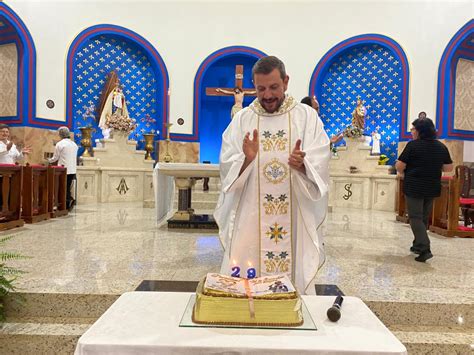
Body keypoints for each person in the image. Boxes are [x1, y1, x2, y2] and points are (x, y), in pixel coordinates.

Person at [214, 56, 330, 294]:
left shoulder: (306, 117)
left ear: (286, 82)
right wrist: (246, 158)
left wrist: (303, 165)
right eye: (261, 88)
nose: (267, 95)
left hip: (294, 214)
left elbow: (320, 159)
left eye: (274, 87)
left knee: (293, 284)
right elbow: (226, 165)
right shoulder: (242, 119)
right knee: (247, 284)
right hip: (251, 215)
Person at [396, 118, 453, 262]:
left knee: (415, 217)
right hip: (432, 186)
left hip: (415, 186)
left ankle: (424, 247)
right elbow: (448, 168)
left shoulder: (413, 146)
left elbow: (400, 167)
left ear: (420, 131)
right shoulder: (441, 147)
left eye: (413, 129)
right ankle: (416, 245)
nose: (412, 132)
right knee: (422, 217)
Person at [48, 127, 79, 211]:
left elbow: (55, 157)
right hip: (72, 170)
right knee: (67, 187)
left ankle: (64, 205)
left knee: (61, 188)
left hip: (63, 170)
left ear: (60, 134)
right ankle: (67, 203)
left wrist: (48, 160)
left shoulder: (60, 144)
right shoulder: (74, 145)